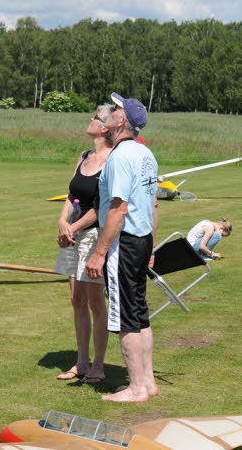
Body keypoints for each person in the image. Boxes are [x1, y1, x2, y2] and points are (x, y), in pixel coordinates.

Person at [85, 92, 159, 403]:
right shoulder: (146, 154)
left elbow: (118, 208)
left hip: (124, 241)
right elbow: (152, 204)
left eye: (115, 109)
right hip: (142, 239)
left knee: (126, 316)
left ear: (122, 121)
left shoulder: (120, 157)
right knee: (139, 313)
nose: (110, 112)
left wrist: (100, 253)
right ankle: (148, 382)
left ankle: (137, 388)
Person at [54, 104, 113, 384]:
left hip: (93, 235)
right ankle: (81, 362)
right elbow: (70, 194)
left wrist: (74, 227)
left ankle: (98, 366)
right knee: (76, 300)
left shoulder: (112, 160)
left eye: (95, 117)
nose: (89, 119)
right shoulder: (84, 156)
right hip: (72, 236)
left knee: (94, 301)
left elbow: (101, 207)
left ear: (104, 127)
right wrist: (62, 223)